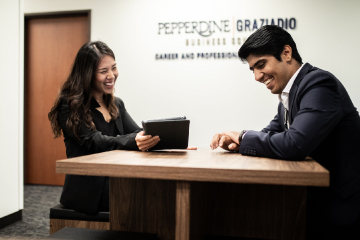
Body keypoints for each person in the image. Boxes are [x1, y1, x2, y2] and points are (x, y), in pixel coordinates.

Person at [210, 25, 360, 239]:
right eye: (252, 69)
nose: (257, 76)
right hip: (313, 202)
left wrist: (242, 137)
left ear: (286, 53)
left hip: (342, 207)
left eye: (260, 65)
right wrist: (235, 143)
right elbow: (269, 135)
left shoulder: (319, 84)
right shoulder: (288, 97)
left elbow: (294, 143)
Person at [48, 41, 160, 215]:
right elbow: (95, 142)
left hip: (116, 179)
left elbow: (137, 132)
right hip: (88, 190)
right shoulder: (70, 105)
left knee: (156, 191)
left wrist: (163, 141)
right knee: (149, 197)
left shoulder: (116, 103)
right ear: (87, 75)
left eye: (113, 68)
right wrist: (135, 140)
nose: (112, 75)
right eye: (103, 71)